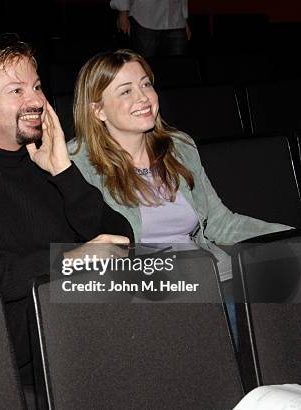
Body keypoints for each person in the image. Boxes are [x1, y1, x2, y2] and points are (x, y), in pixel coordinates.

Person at [0, 34, 132, 386]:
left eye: (37, 87)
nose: (36, 100)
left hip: (90, 336)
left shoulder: (46, 160)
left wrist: (64, 173)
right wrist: (64, 262)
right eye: (17, 91)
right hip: (14, 362)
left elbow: (121, 239)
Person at [68, 49, 293, 336]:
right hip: (148, 294)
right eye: (125, 91)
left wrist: (290, 237)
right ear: (97, 110)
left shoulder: (178, 146)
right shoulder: (77, 163)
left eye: (146, 84)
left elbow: (221, 223)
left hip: (210, 277)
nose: (143, 97)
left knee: (288, 287)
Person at [111, 0, 191, 58]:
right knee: (145, 67)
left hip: (176, 20)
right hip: (145, 18)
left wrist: (184, 16)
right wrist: (123, 11)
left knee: (178, 68)